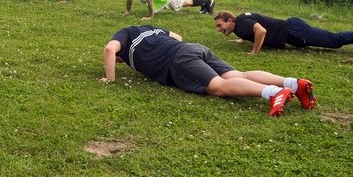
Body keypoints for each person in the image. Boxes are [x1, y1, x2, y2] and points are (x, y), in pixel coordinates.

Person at [101, 25, 316, 116]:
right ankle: (293, 83)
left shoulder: (125, 34)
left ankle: (273, 93)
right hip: (193, 48)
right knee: (237, 75)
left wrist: (110, 79)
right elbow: (177, 37)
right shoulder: (148, 30)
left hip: (178, 60)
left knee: (218, 87)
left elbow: (110, 49)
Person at [213, 10, 353, 54]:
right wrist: (242, 39)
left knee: (336, 41)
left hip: (296, 32)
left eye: (220, 26)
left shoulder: (243, 24)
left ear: (229, 21)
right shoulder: (240, 25)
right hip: (292, 29)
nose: (219, 30)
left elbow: (261, 31)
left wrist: (254, 51)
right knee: (335, 40)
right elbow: (251, 30)